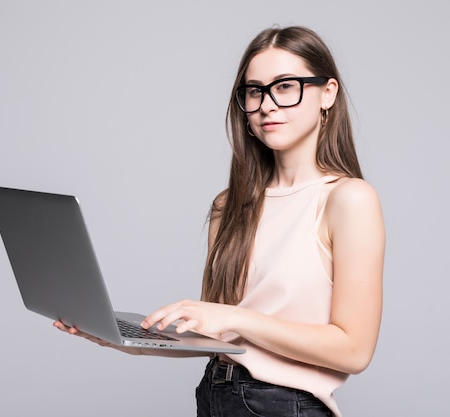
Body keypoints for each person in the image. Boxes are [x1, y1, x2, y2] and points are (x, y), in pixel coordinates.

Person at [55, 25, 385, 417]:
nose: (266, 104)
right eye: (254, 90)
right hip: (215, 394)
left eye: (285, 86)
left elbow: (354, 349)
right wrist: (120, 337)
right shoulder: (229, 205)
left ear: (327, 93)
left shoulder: (348, 199)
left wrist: (234, 316)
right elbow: (219, 336)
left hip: (281, 406)